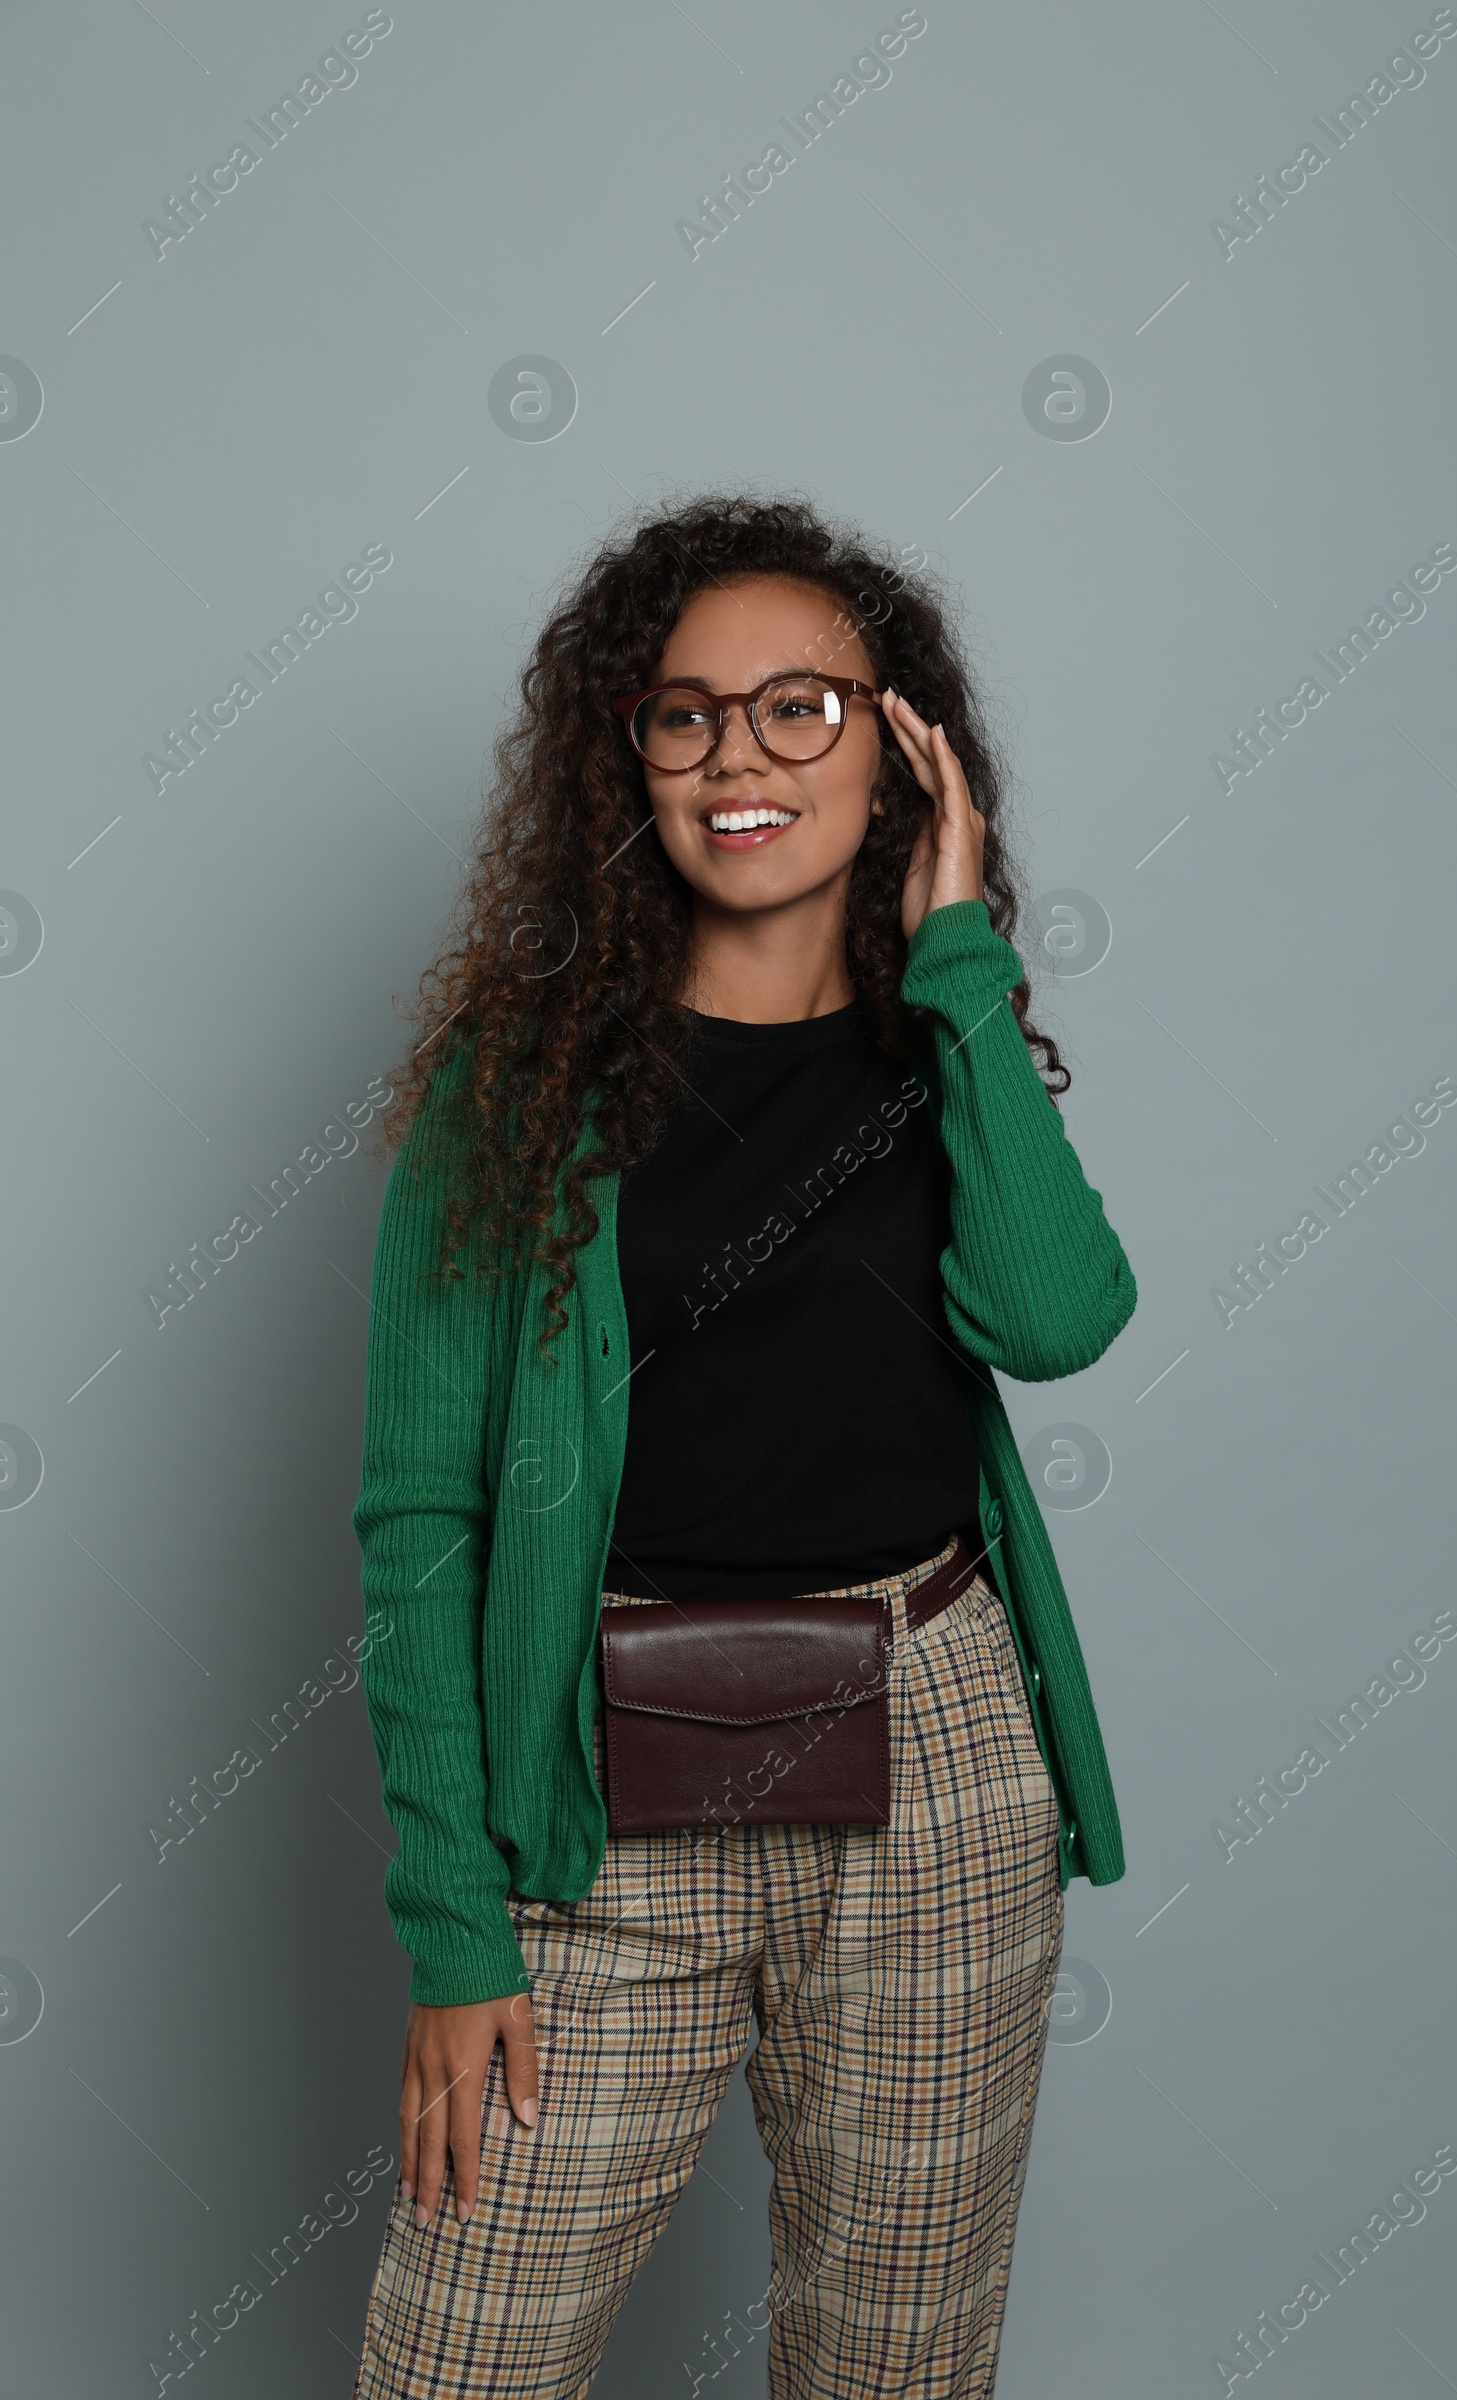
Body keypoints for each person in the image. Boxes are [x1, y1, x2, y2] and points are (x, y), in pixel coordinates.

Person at [349, 490, 1137, 2399]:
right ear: (626, 757)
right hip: (595, 1774)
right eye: (687, 715)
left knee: (892, 2368)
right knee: (459, 2355)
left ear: (902, 741)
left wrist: (955, 957)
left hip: (933, 1763)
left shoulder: (938, 1050)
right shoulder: (514, 1084)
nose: (742, 758)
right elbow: (422, 1522)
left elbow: (1059, 1320)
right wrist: (457, 1930)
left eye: (804, 707)